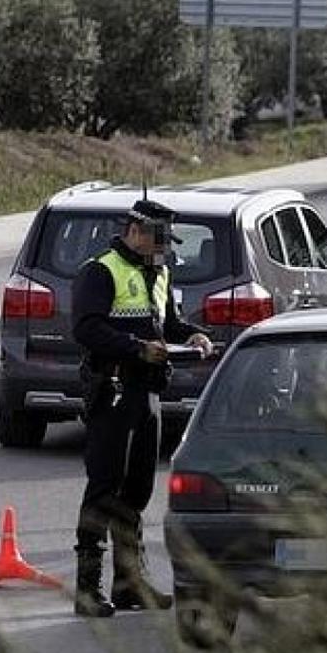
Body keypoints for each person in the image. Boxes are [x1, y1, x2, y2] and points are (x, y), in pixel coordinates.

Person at [70, 198, 214, 618]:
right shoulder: (101, 270)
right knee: (103, 490)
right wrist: (136, 349)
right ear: (135, 230)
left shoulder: (159, 271)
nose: (165, 247)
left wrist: (192, 336)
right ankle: (87, 588)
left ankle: (129, 584)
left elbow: (165, 323)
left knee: (137, 491)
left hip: (147, 393)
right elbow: (86, 328)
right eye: (159, 238)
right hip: (112, 390)